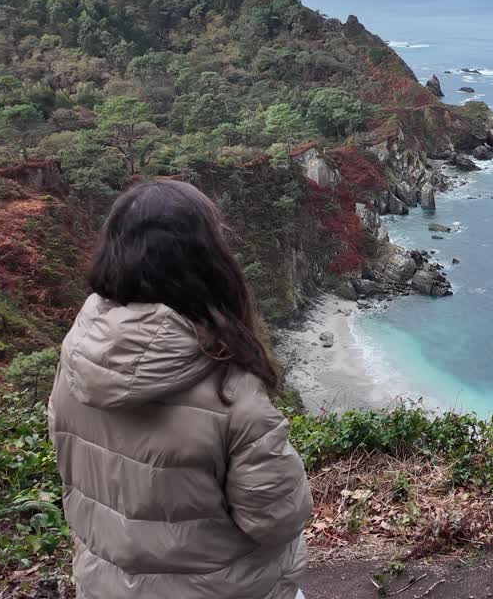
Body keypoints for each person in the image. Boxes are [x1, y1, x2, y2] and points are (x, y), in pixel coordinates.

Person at [47, 179, 312, 598]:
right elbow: (277, 518)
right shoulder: (230, 386)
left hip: (104, 587)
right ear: (208, 262)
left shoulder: (76, 359)